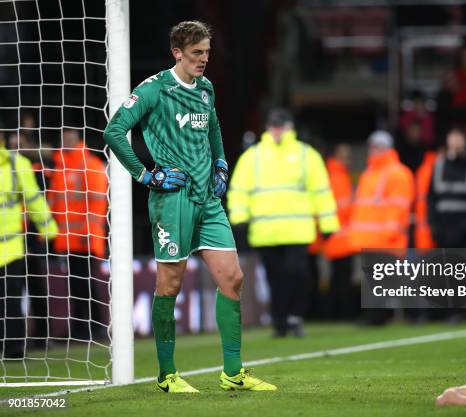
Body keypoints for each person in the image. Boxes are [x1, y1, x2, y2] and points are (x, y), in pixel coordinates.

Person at [103, 21, 276, 393]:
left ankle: (233, 372)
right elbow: (114, 132)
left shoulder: (205, 89)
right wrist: (146, 176)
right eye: (197, 53)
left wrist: (220, 163)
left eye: (208, 53)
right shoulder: (153, 90)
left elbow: (212, 126)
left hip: (207, 200)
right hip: (172, 200)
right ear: (177, 53)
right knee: (170, 284)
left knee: (232, 278)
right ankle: (166, 376)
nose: (204, 60)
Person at [227, 109, 339, 337]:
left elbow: (321, 191)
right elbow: (239, 190)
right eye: (273, 126)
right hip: (265, 232)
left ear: (290, 127)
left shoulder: (307, 155)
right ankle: (280, 322)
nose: (277, 130)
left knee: (297, 274)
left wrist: (328, 224)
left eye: (281, 126)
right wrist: (239, 219)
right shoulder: (253, 156)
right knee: (274, 278)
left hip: (297, 230)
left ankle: (294, 315)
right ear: (268, 128)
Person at [0, 129, 58, 358]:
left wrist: (48, 228)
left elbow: (33, 198)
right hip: (13, 243)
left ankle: (14, 348)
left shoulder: (17, 163)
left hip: (11, 245)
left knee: (11, 298)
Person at [48, 128, 108, 341]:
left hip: (85, 237)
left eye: (70, 139)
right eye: (64, 139)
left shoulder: (90, 164)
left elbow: (98, 202)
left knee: (85, 282)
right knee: (76, 283)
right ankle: (82, 325)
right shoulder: (61, 167)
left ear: (79, 140)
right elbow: (55, 202)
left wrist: (86, 231)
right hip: (68, 237)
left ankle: (95, 325)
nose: (67, 143)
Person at [350, 131, 414, 325]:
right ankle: (375, 317)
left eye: (377, 146)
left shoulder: (397, 172)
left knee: (383, 281)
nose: (373, 150)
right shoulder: (369, 173)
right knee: (373, 280)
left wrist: (391, 231)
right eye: (372, 146)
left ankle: (381, 317)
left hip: (387, 238)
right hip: (370, 238)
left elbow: (400, 205)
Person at [428, 128, 466, 248]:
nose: (455, 141)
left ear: (465, 140)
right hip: (443, 232)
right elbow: (431, 197)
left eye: (458, 137)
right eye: (452, 137)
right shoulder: (438, 164)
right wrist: (434, 226)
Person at [322, 143, 355, 320]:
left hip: (340, 237)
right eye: (344, 156)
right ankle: (340, 314)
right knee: (340, 279)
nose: (347, 160)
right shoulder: (335, 176)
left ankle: (336, 314)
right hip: (338, 238)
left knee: (339, 277)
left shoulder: (339, 175)